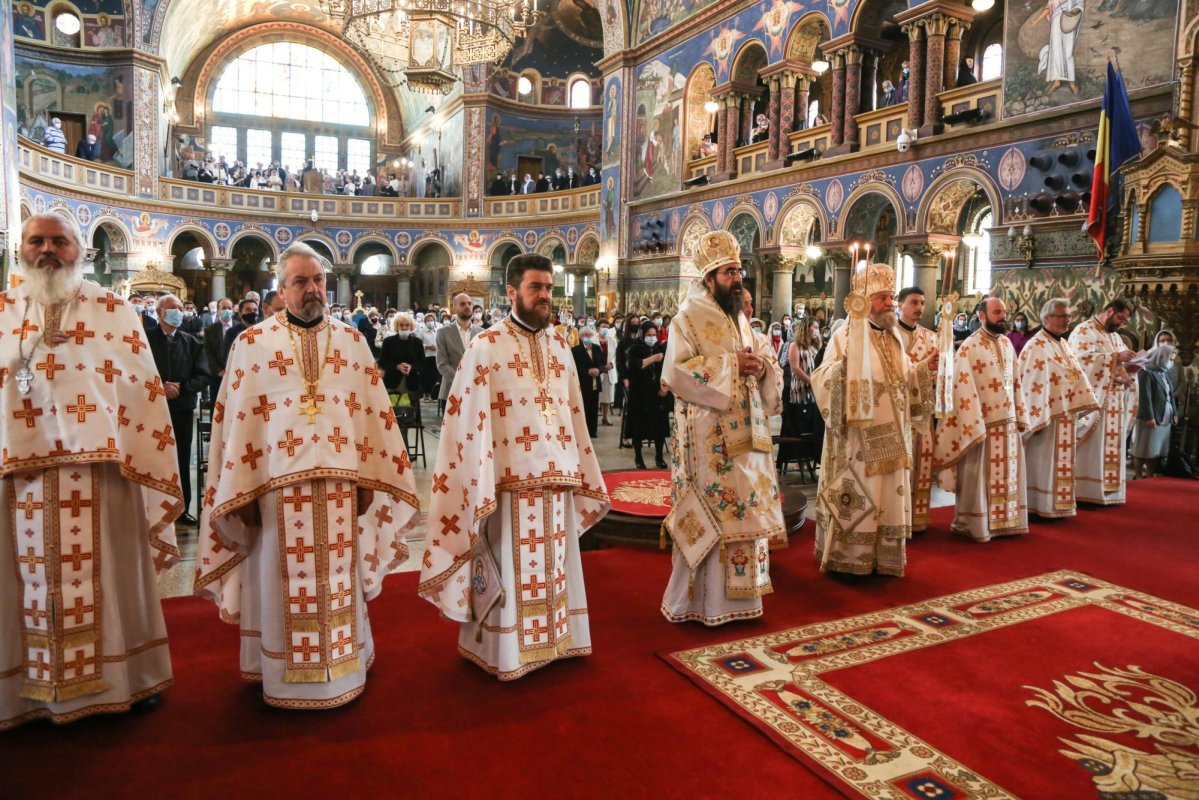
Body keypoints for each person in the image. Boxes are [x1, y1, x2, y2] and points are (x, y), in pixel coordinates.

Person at [195, 242, 419, 709]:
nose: (313, 289)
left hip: (341, 492)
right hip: (275, 494)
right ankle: (279, 673)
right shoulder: (251, 346)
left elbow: (372, 421)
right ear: (281, 289)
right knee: (282, 581)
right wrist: (242, 492)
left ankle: (344, 666)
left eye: (319, 280)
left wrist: (366, 481)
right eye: (301, 281)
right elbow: (234, 425)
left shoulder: (353, 342)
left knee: (340, 577)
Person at [1, 214, 184, 730]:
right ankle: (22, 690)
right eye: (37, 241)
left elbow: (141, 392)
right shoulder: (4, 310)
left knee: (115, 571)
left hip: (103, 476)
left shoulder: (114, 310)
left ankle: (133, 677)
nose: (48, 250)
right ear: (21, 249)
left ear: (82, 250)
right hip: (19, 480)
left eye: (60, 241)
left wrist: (138, 454)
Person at [419, 253, 610, 679]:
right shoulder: (486, 346)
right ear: (512, 292)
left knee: (555, 564)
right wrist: (477, 477)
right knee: (510, 565)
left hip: (557, 479)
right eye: (535, 288)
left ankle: (557, 640)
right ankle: (506, 653)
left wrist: (579, 468)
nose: (545, 296)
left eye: (548, 288)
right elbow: (463, 419)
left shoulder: (560, 344)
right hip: (505, 485)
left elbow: (573, 412)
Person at [660, 230, 785, 623]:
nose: (738, 278)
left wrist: (761, 367)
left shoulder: (741, 319)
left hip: (748, 440)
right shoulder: (687, 318)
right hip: (708, 440)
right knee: (715, 514)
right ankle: (701, 605)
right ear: (709, 277)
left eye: (739, 270)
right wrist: (733, 369)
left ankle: (745, 603)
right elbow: (676, 373)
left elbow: (763, 360)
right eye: (730, 272)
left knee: (745, 514)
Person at [812, 264, 936, 575]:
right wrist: (841, 370)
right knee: (861, 495)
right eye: (883, 297)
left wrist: (923, 369)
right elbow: (822, 375)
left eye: (892, 296)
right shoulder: (847, 334)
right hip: (859, 438)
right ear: (865, 300)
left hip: (893, 437)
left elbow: (904, 376)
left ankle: (881, 560)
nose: (890, 303)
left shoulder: (894, 334)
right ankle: (849, 559)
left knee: (887, 499)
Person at [934, 297, 1029, 542]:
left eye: (1004, 312)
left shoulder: (1008, 344)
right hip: (981, 426)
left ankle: (1006, 522)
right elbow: (961, 388)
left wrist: (1020, 413)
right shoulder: (969, 347)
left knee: (1008, 476)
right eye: (997, 312)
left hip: (1007, 425)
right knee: (980, 478)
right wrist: (973, 423)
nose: (1003, 316)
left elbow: (1016, 381)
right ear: (983, 316)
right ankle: (975, 525)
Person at [1017, 298, 1100, 517]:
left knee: (1060, 462)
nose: (1067, 321)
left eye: (1068, 316)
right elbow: (1030, 382)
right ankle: (1038, 506)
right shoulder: (1036, 346)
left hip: (1064, 414)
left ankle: (1058, 505)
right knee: (1042, 462)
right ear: (1047, 318)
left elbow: (1075, 373)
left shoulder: (1061, 343)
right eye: (1062, 316)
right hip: (1046, 416)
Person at [147, 293, 211, 525]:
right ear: (160, 312)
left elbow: (203, 374)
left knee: (182, 458)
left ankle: (183, 509)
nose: (178, 311)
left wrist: (182, 389)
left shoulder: (192, 342)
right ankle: (153, 510)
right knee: (154, 458)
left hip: (182, 409)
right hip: (153, 409)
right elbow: (137, 372)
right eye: (172, 308)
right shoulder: (145, 340)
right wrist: (159, 387)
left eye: (180, 308)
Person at [1069, 298, 1140, 505]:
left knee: (1110, 448)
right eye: (1120, 318)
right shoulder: (1084, 332)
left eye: (1125, 320)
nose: (1122, 324)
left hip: (1114, 406)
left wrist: (1130, 368)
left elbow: (1119, 367)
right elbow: (1080, 363)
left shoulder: (1116, 337)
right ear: (1110, 311)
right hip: (1095, 405)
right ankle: (1085, 492)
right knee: (1093, 449)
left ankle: (1108, 493)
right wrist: (1116, 358)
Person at [896, 286, 939, 532]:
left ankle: (917, 518)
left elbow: (938, 376)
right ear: (900, 305)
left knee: (922, 464)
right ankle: (898, 516)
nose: (919, 308)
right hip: (898, 412)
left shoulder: (932, 338)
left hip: (923, 412)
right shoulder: (889, 334)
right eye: (913, 302)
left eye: (922, 303)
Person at [625, 320, 672, 469]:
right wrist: (652, 358)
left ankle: (659, 457)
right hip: (640, 394)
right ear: (642, 334)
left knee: (659, 427)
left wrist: (665, 388)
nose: (652, 337)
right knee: (638, 428)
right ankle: (638, 457)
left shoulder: (660, 348)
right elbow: (634, 366)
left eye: (654, 335)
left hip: (657, 394)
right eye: (648, 335)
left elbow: (668, 370)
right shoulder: (635, 348)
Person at [778, 316, 823, 471]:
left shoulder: (815, 345)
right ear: (806, 328)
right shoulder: (795, 345)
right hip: (801, 389)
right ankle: (801, 458)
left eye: (818, 327)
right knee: (801, 423)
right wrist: (811, 381)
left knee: (813, 423)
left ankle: (812, 455)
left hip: (815, 390)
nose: (816, 330)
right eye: (814, 327)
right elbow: (796, 368)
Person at [1132, 330, 1178, 478]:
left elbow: (1170, 395)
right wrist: (1149, 417)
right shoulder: (1146, 370)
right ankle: (1138, 475)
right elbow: (1145, 396)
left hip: (1164, 417)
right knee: (1143, 448)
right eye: (1170, 356)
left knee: (1155, 450)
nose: (1171, 358)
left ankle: (1150, 475)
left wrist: (1175, 413)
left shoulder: (1164, 371)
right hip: (1150, 417)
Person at [435, 293, 482, 415]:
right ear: (455, 307)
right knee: (451, 432)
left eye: (469, 303)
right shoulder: (443, 332)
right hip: (451, 389)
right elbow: (442, 364)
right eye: (462, 304)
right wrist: (461, 379)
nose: (467, 306)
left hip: (476, 390)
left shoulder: (482, 333)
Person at [380, 314, 425, 427]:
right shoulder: (388, 342)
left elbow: (422, 362)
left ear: (411, 326)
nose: (404, 328)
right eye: (401, 325)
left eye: (407, 325)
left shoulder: (417, 342)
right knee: (393, 416)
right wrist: (397, 366)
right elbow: (383, 362)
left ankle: (404, 438)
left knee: (408, 417)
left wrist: (411, 367)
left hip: (411, 382)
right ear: (396, 326)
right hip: (393, 382)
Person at [572, 324, 603, 437]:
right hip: (583, 383)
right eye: (586, 335)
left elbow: (601, 363)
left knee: (594, 408)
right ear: (581, 337)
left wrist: (599, 370)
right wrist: (587, 371)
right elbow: (575, 367)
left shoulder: (596, 348)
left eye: (590, 334)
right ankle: (583, 432)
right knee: (584, 407)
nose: (588, 337)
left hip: (595, 383)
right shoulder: (575, 350)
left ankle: (593, 430)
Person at [203, 298, 234, 402]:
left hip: (237, 374)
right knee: (217, 405)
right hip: (217, 375)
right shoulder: (210, 330)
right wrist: (219, 370)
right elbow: (208, 352)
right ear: (218, 311)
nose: (227, 310)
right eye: (224, 308)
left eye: (229, 308)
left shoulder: (240, 327)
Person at [598, 319, 617, 426]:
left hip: (609, 371)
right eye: (603, 326)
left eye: (607, 326)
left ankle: (606, 417)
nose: (605, 328)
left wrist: (611, 364)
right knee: (596, 396)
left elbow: (615, 355)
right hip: (598, 371)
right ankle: (593, 417)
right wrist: (600, 366)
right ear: (598, 328)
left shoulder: (612, 340)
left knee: (607, 396)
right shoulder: (593, 339)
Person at [418, 312, 440, 400]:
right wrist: (426, 346)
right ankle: (425, 393)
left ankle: (433, 393)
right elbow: (418, 343)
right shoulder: (422, 331)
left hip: (436, 355)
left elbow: (441, 342)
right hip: (426, 356)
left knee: (434, 375)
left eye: (431, 320)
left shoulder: (438, 330)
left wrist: (436, 347)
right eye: (428, 320)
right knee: (426, 375)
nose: (430, 322)